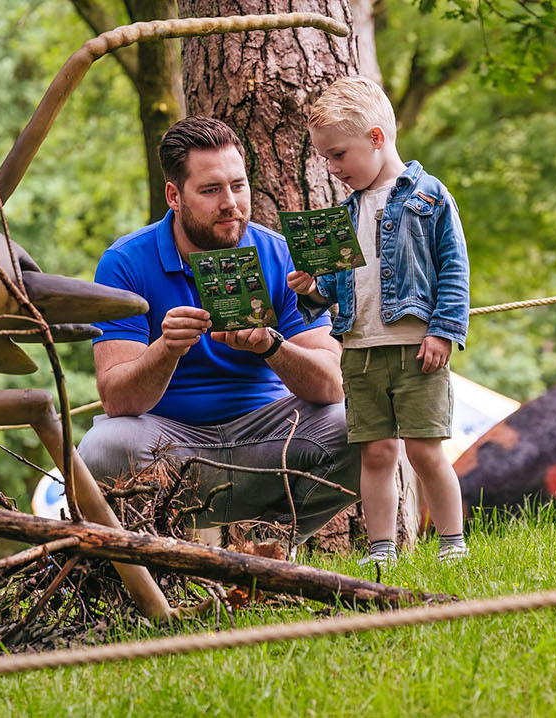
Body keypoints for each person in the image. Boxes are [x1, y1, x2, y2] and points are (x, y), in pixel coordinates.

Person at [79, 116, 358, 547]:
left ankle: (269, 546)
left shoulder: (279, 255)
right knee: (100, 448)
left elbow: (332, 383)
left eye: (238, 185)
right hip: (169, 447)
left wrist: (273, 346)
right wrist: (166, 349)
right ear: (174, 195)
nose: (231, 203)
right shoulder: (125, 262)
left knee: (362, 423)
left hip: (269, 442)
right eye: (211, 190)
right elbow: (116, 399)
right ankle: (165, 563)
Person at [289, 77, 471, 565]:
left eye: (338, 155)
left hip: (417, 348)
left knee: (425, 450)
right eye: (326, 158)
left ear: (375, 137)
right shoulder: (345, 213)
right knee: (375, 453)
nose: (332, 168)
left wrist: (443, 331)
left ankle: (453, 543)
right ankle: (381, 549)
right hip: (359, 352)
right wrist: (312, 288)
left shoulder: (429, 196)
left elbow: (454, 268)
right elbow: (340, 287)